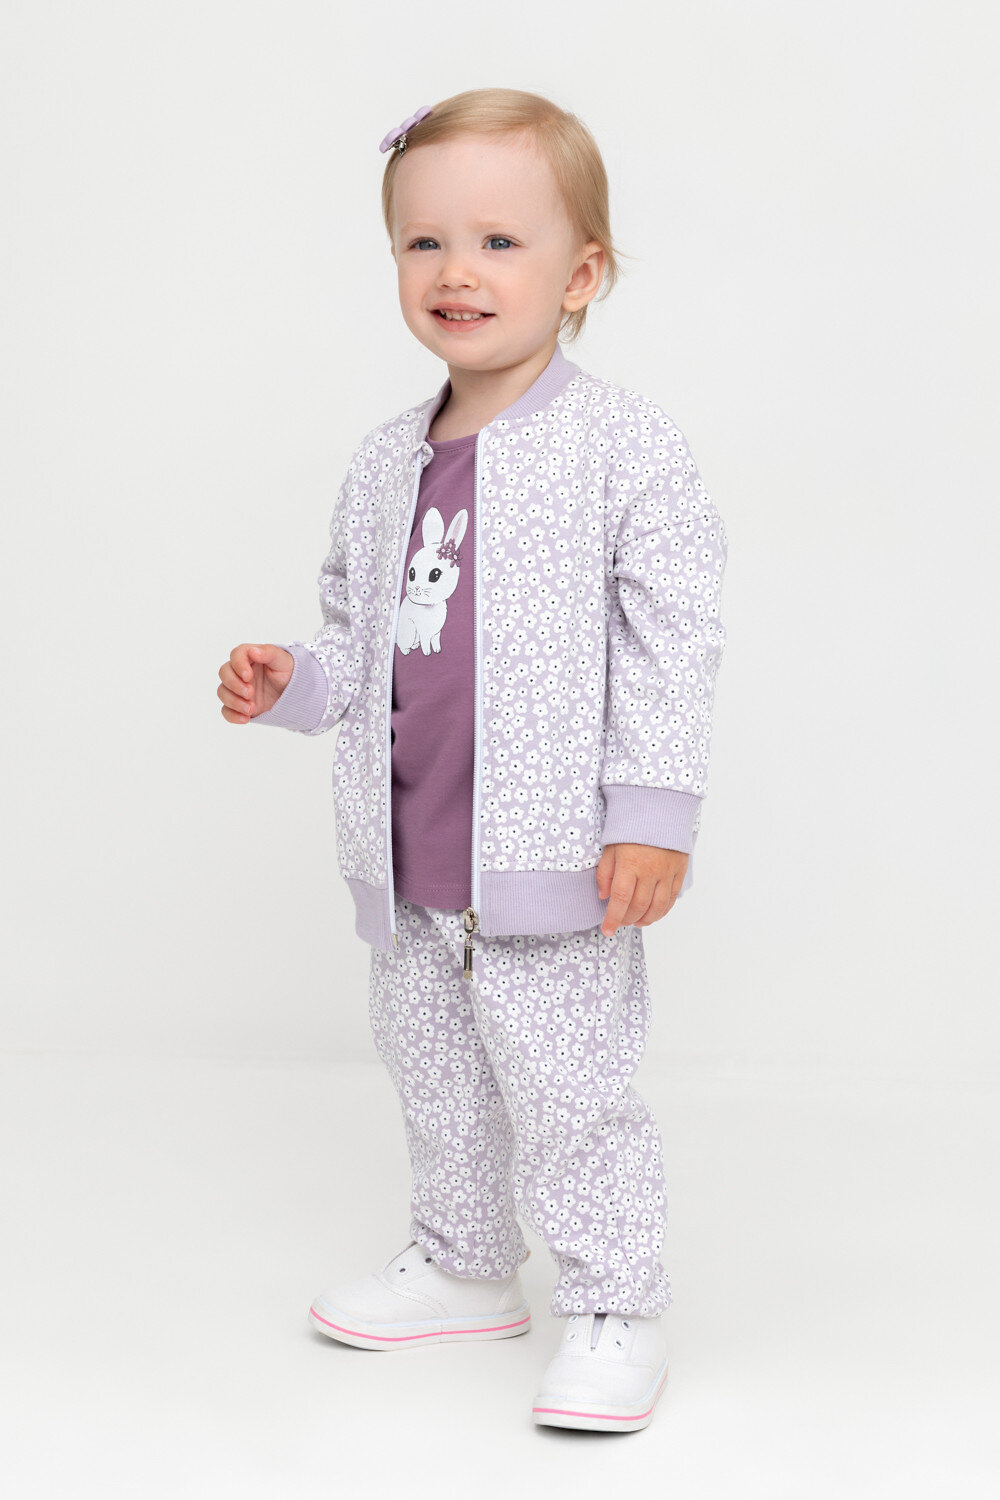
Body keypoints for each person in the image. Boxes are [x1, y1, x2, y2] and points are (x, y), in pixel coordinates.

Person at [217, 87, 728, 1434]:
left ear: (582, 275)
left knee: (570, 1093)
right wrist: (293, 683)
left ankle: (615, 1302)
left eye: (501, 242)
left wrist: (653, 813)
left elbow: (674, 635)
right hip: (411, 860)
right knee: (436, 1077)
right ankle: (462, 1264)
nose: (459, 271)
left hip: (554, 857)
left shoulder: (620, 446)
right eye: (425, 242)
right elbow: (360, 634)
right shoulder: (386, 459)